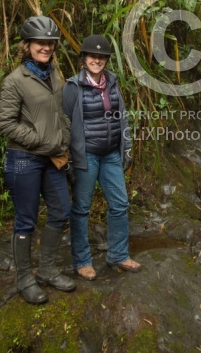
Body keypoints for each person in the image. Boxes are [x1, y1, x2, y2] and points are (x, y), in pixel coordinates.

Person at [0, 15, 76, 304]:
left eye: (50, 43)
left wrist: (63, 139)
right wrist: (45, 143)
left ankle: (47, 270)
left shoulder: (54, 74)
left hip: (53, 158)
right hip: (23, 158)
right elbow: (6, 124)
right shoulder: (15, 81)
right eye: (40, 42)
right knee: (26, 219)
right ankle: (24, 278)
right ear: (27, 44)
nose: (45, 47)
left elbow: (60, 113)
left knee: (60, 211)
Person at [63, 35, 140, 281]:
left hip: (110, 155)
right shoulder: (72, 86)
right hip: (86, 156)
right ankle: (82, 260)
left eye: (102, 56)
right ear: (84, 59)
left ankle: (118, 254)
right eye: (92, 56)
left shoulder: (113, 83)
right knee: (82, 208)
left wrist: (126, 148)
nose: (97, 60)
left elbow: (123, 117)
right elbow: (65, 124)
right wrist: (70, 160)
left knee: (119, 204)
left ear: (107, 59)